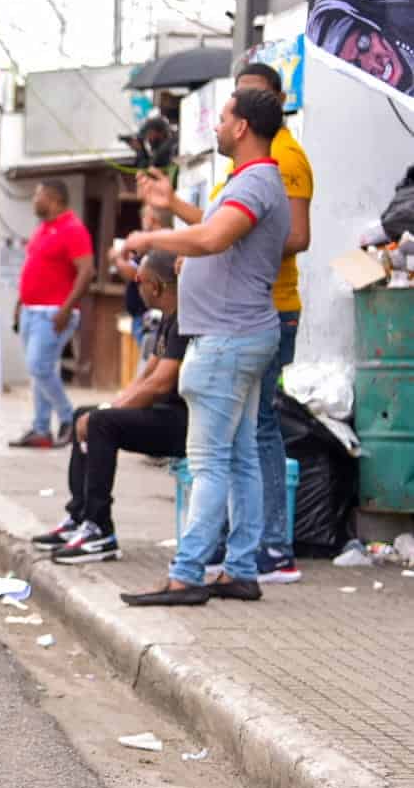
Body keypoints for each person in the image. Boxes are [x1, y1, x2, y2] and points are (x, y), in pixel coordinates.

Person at [139, 63, 313, 584]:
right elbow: (220, 233)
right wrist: (174, 213)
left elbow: (218, 239)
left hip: (230, 337)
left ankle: (188, 573)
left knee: (212, 462)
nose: (215, 127)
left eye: (222, 118)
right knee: (239, 458)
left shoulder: (268, 174)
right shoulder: (252, 178)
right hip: (237, 332)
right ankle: (241, 568)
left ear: (241, 127)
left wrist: (149, 240)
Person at [33, 251, 188, 565]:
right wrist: (108, 406)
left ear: (155, 286)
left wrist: (103, 416)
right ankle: (80, 517)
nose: (136, 287)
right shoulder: (169, 318)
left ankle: (100, 530)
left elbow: (160, 385)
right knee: (85, 415)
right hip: (165, 414)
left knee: (100, 424)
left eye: (139, 281)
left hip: (184, 423)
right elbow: (146, 376)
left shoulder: (185, 319)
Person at [10, 179, 95, 449]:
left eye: (38, 195)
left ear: (54, 198)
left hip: (53, 312)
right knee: (39, 371)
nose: (34, 200)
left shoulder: (73, 229)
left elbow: (86, 271)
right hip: (31, 311)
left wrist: (66, 308)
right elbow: (34, 270)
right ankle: (41, 429)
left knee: (39, 366)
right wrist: (18, 305)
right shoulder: (44, 229)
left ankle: (69, 418)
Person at [112, 205, 173, 360]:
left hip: (151, 316)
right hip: (148, 314)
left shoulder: (160, 245)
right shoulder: (156, 244)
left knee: (151, 360)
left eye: (144, 217)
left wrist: (117, 258)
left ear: (152, 219)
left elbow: (134, 274)